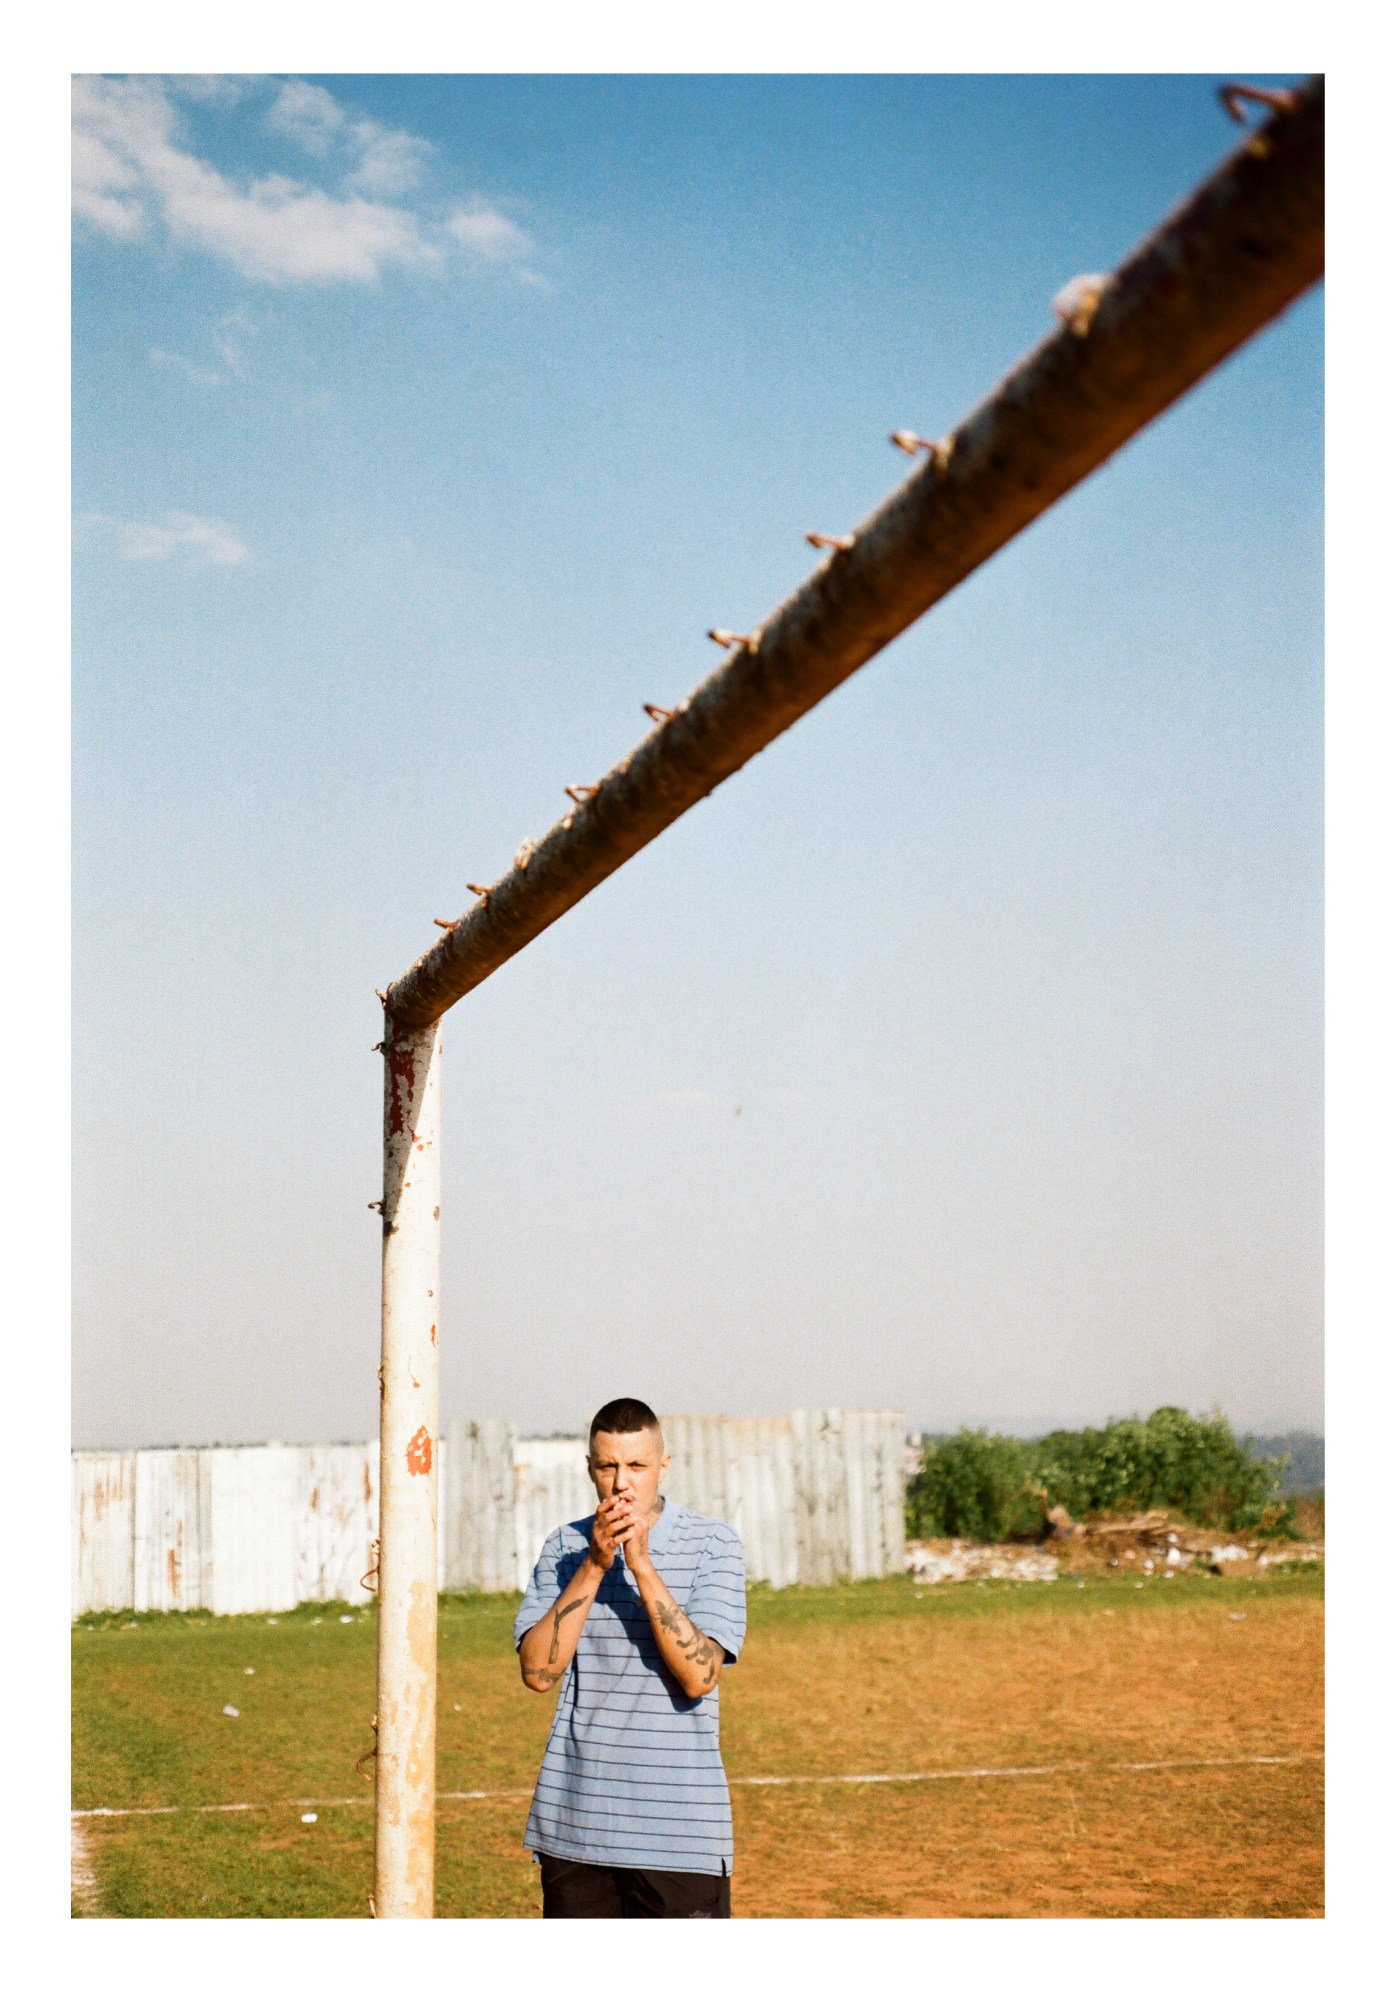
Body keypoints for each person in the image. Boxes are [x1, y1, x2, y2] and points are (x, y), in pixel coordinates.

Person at [514, 1396, 747, 1918]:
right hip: (577, 1829)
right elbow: (537, 1673)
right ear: (591, 1469)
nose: (623, 1483)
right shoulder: (565, 1547)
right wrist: (596, 1565)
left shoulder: (713, 1543)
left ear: (663, 1466)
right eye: (609, 1466)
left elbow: (700, 1676)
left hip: (680, 1836)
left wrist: (641, 1566)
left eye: (638, 1466)